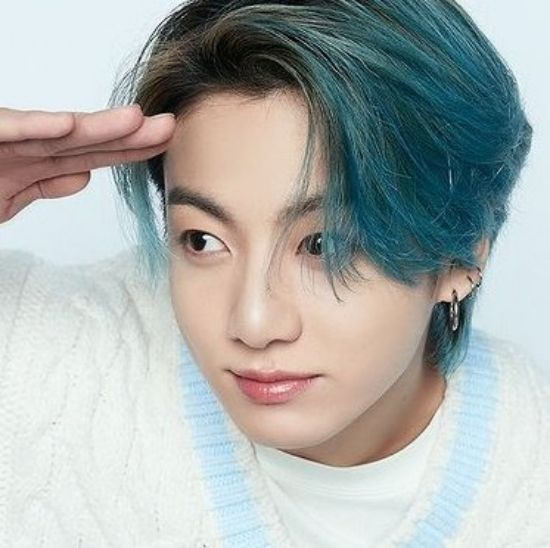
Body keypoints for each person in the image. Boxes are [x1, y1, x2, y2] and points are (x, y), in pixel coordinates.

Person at [0, 1, 548, 546]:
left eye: (324, 245)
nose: (254, 324)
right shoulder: (46, 356)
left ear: (461, 257)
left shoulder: (530, 472)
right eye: (202, 240)